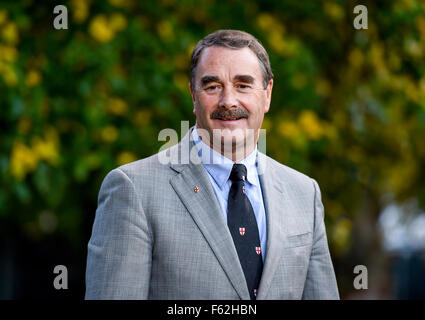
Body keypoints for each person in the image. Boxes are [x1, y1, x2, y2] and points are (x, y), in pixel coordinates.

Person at [85, 29, 339, 300]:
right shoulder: (133, 190)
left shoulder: (304, 193)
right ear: (193, 95)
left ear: (267, 94)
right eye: (212, 86)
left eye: (243, 85)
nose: (228, 101)